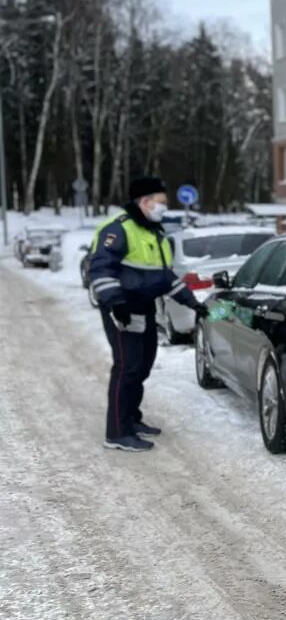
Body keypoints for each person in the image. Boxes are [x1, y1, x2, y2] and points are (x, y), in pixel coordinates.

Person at [87, 176, 208, 452]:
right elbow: (101, 269)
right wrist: (116, 303)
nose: (164, 207)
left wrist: (191, 302)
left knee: (142, 366)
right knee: (127, 367)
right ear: (144, 201)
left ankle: (131, 418)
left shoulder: (154, 232)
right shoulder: (117, 230)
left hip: (144, 308)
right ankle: (117, 432)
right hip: (123, 309)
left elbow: (164, 276)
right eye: (161, 202)